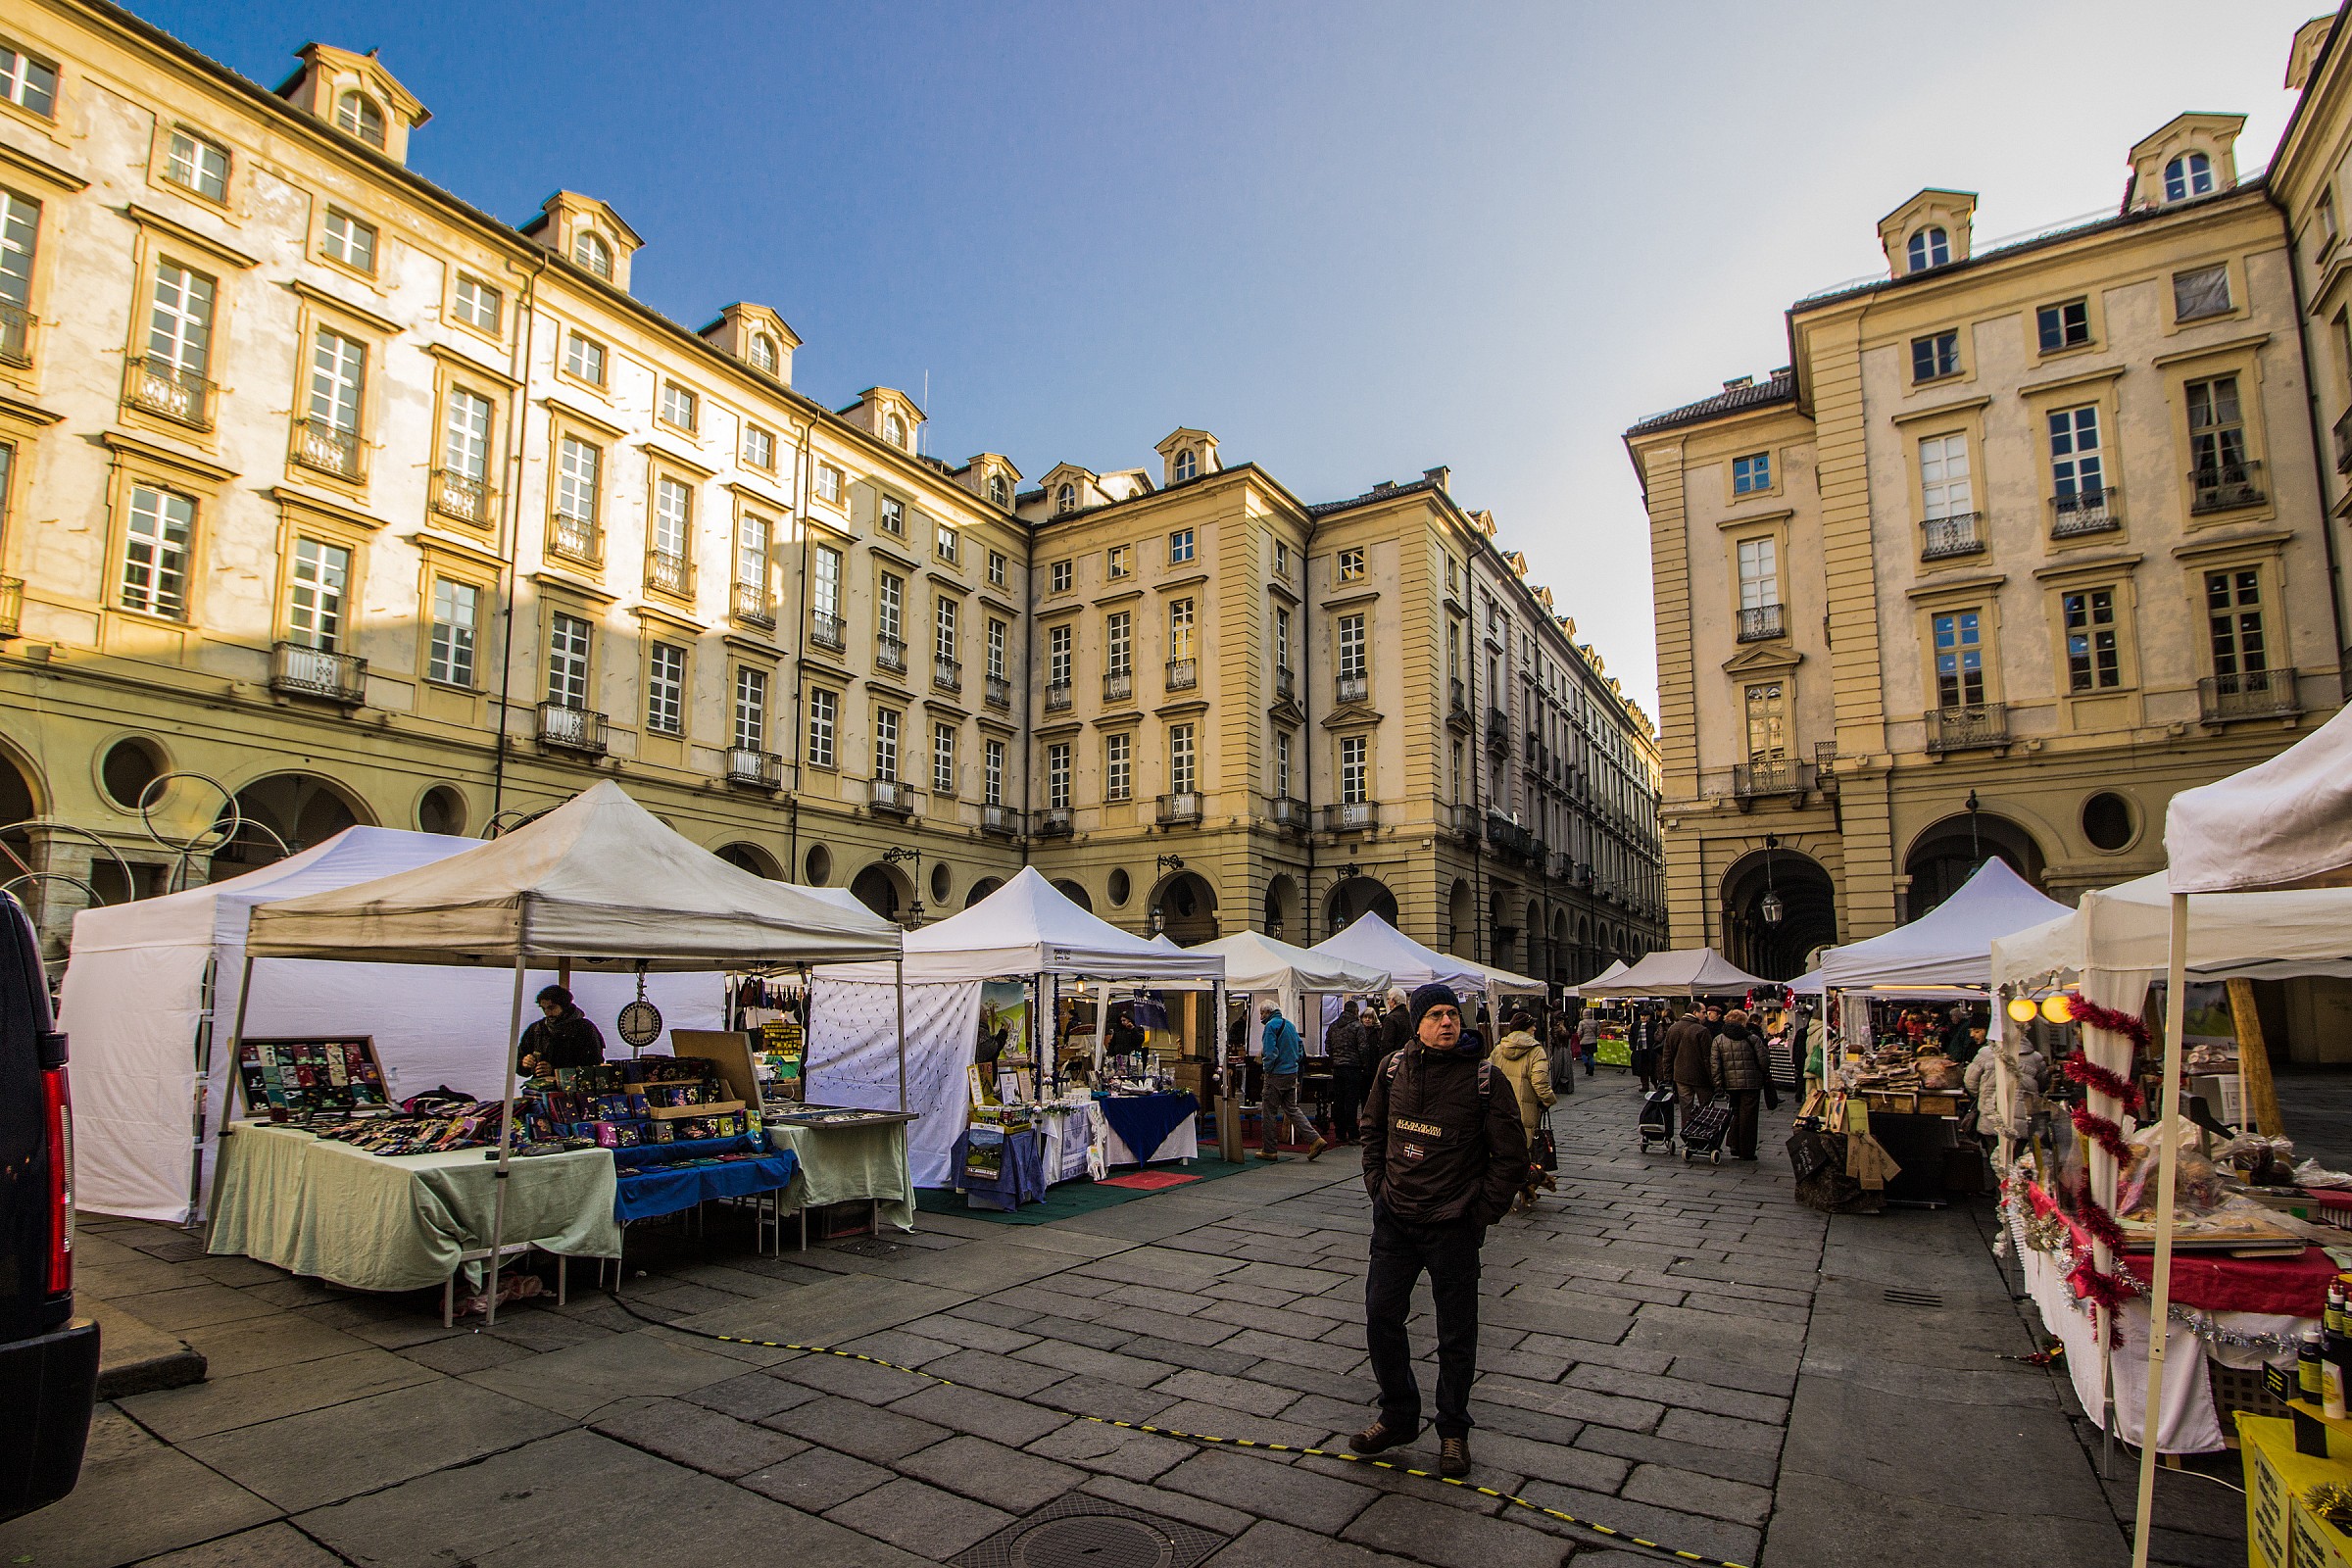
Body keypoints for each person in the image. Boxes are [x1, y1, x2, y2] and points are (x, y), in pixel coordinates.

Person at [1355, 983, 1527, 1479]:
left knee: (1456, 1332)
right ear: (1417, 1024)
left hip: (1453, 1224)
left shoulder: (1484, 1078)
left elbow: (1511, 1157)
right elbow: (1373, 1129)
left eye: (1452, 1013)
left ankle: (1453, 1429)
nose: (1447, 1022)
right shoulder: (1393, 1069)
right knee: (1381, 1317)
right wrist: (1378, 1187)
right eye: (1435, 1015)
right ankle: (1398, 1414)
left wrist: (1478, 1214)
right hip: (1396, 1219)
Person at [1489, 1011, 1555, 1212]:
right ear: (1526, 1028)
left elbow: (1486, 1075)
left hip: (1500, 1109)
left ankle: (1501, 1193)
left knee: (1501, 1153)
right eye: (1532, 1025)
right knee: (1523, 1154)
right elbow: (1540, 1082)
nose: (1535, 1028)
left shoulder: (1499, 1049)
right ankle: (1519, 1191)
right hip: (1525, 1111)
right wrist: (1549, 1100)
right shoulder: (1536, 1051)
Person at [1257, 1002, 1326, 1161]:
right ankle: (1315, 1139)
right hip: (1291, 1073)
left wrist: (1267, 1069)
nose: (1260, 1017)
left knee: (1269, 1112)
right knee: (1292, 1109)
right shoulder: (1289, 1025)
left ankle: (1269, 1150)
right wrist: (1293, 1063)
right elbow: (1300, 1048)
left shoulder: (1270, 1027)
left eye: (1261, 1013)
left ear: (1268, 1012)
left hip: (1276, 1074)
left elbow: (1270, 1052)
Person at [1709, 1007, 1775, 1160]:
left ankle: (1734, 1144)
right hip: (1751, 1083)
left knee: (1735, 1113)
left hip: (1730, 1084)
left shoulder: (1719, 1040)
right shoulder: (1752, 1038)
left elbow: (1715, 1065)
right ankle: (1746, 1151)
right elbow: (1764, 1062)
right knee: (1749, 1117)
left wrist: (1718, 1085)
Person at [519, 985, 606, 1075]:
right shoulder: (537, 1029)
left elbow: (594, 1065)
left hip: (575, 1083)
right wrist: (525, 1063)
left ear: (564, 1006)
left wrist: (556, 1071)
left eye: (551, 1008)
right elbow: (519, 1061)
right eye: (543, 1008)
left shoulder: (585, 1029)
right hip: (540, 1082)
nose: (547, 1013)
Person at [1661, 1002, 1716, 1124]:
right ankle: (1703, 1131)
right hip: (1700, 1076)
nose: (1705, 1015)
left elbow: (1667, 1055)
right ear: (1695, 1012)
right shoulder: (1702, 1030)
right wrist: (1714, 1079)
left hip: (1680, 1075)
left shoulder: (1673, 1028)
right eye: (1703, 1012)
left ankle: (1686, 1130)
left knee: (1685, 1107)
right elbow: (1708, 1057)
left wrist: (1667, 1076)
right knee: (1706, 1107)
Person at [1326, 1000, 1368, 1144]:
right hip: (1353, 1068)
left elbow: (1327, 1046)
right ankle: (1353, 1134)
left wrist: (1334, 1059)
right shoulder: (1357, 1026)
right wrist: (1364, 1064)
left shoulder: (1333, 1026)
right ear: (1356, 1011)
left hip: (1337, 1068)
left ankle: (1340, 1133)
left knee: (1338, 1101)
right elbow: (1363, 1048)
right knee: (1351, 1102)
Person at [1375, 987, 1414, 1067]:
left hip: (1394, 1062)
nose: (1387, 1002)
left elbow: (1386, 1045)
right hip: (1409, 1059)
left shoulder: (1391, 1019)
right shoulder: (1411, 1017)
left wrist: (1384, 1065)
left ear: (1393, 1001)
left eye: (1388, 999)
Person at [1576, 1007, 1602, 1076]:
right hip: (1593, 1041)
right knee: (1591, 1055)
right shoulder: (1595, 1022)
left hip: (1583, 1041)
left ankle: (1587, 1065)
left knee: (1583, 1054)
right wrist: (1594, 1036)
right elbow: (1598, 1032)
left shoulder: (1581, 1023)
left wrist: (1580, 1038)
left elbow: (1579, 1032)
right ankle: (1591, 1069)